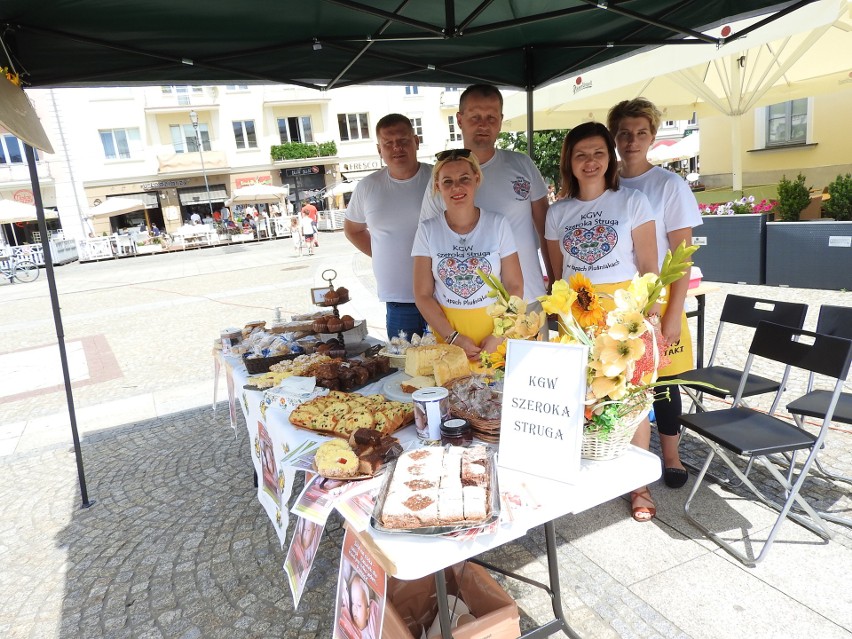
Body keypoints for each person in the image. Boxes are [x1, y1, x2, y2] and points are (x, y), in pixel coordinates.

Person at [544, 121, 659, 522]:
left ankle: (639, 486)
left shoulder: (632, 202)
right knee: (583, 398)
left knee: (632, 399)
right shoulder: (558, 212)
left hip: (625, 316)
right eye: (580, 155)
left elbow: (649, 267)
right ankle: (585, 472)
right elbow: (559, 275)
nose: (590, 162)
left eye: (597, 153)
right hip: (579, 319)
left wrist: (650, 317)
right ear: (569, 163)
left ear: (609, 158)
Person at [607, 98, 704, 492]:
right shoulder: (605, 179)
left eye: (641, 133)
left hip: (660, 305)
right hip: (616, 310)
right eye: (624, 133)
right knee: (617, 384)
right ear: (614, 136)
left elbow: (681, 258)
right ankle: (619, 455)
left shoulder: (669, 185)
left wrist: (672, 316)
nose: (632, 141)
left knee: (664, 385)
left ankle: (671, 455)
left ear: (652, 135)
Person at [421, 84, 552, 308]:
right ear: (460, 120)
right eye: (475, 117)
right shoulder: (444, 178)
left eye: (491, 117)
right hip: (467, 308)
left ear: (501, 120)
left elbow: (546, 227)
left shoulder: (522, 164)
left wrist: (554, 278)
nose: (483, 124)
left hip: (526, 298)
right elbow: (428, 246)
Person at [413, 149, 523, 360]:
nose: (456, 187)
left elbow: (514, 286)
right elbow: (422, 294)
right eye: (447, 181)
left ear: (476, 179)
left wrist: (499, 335)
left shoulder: (498, 224)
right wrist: (453, 337)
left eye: (464, 178)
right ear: (437, 186)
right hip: (448, 339)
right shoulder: (427, 230)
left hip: (494, 340)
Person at [344, 113, 432, 339]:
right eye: (388, 143)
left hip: (443, 296)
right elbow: (353, 229)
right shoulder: (368, 186)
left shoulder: (439, 178)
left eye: (403, 141)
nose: (397, 148)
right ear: (379, 149)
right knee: (404, 368)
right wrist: (382, 254)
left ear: (416, 142)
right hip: (398, 300)